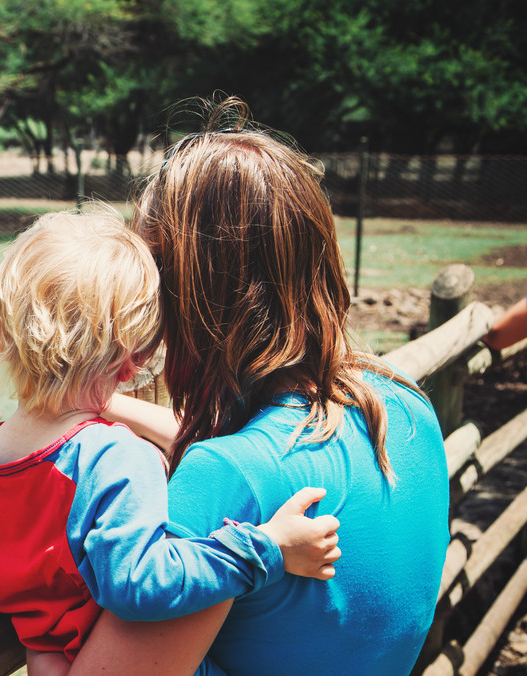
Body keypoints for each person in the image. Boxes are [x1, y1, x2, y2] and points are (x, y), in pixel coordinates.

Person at [50, 98, 450, 676]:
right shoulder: (403, 404)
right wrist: (104, 401)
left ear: (191, 292)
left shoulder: (227, 476)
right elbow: (251, 448)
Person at [0, 205, 342, 669]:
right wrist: (266, 550)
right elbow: (140, 584)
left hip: (46, 649)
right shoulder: (115, 457)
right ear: (132, 363)